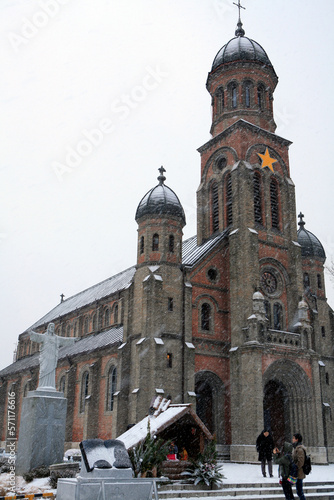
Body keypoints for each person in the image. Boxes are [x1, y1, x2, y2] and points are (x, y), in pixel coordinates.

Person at [292, 433, 307, 500]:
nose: (292, 439)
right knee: (298, 490)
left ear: (297, 439)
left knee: (299, 491)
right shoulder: (296, 448)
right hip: (295, 472)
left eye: (293, 438)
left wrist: (295, 467)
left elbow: (301, 461)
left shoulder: (300, 449)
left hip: (298, 473)